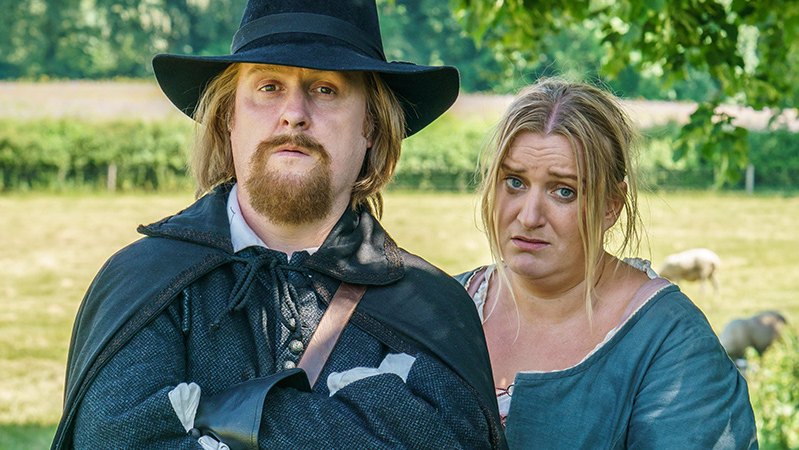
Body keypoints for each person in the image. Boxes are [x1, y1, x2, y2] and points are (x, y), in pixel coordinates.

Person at [51, 0, 505, 449]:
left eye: (325, 89)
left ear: (370, 125)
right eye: (269, 86)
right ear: (229, 116)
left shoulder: (432, 311)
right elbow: (114, 437)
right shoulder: (144, 284)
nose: (294, 113)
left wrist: (211, 418)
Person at [456, 79, 757, 448]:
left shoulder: (671, 342)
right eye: (514, 182)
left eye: (563, 190)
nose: (529, 216)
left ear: (611, 205)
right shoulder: (441, 306)